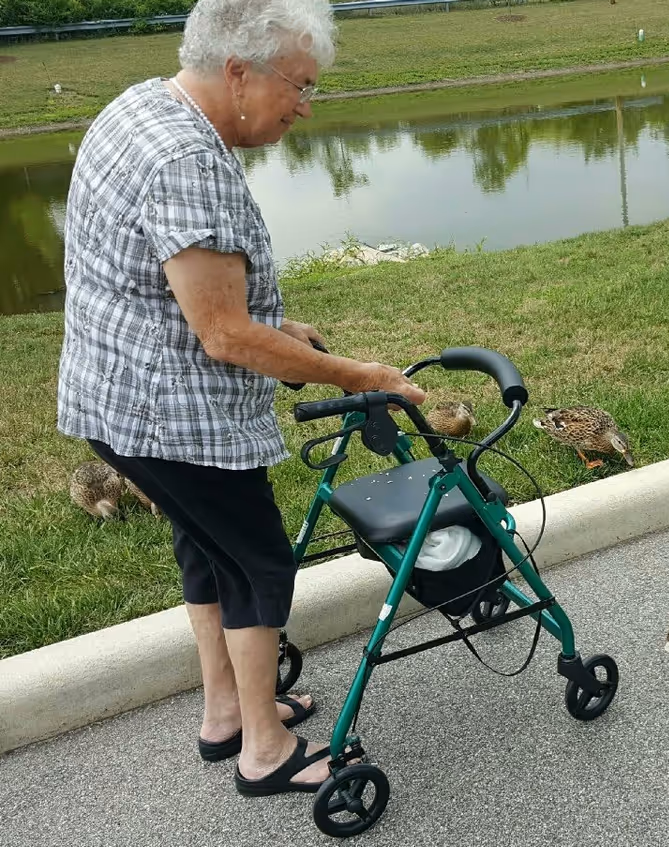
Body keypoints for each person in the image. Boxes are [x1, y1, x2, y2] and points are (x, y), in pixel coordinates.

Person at [55, 0, 425, 796]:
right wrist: (361, 375)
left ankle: (226, 710)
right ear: (238, 71)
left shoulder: (143, 107)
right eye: (299, 85)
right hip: (170, 414)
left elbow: (178, 288)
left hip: (115, 401)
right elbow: (221, 335)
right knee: (257, 561)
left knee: (208, 548)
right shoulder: (185, 160)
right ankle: (265, 749)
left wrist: (277, 327)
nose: (304, 105)